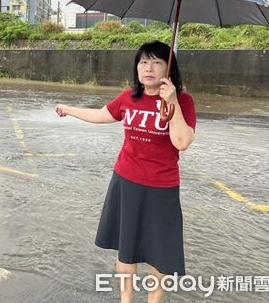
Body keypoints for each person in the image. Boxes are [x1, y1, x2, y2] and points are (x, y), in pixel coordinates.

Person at [55, 40, 196, 303]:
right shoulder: (128, 97)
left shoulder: (184, 101)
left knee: (159, 254)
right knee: (126, 250)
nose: (148, 68)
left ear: (169, 69)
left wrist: (172, 101)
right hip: (126, 181)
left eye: (156, 62)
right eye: (143, 62)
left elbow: (182, 143)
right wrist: (69, 109)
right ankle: (126, 299)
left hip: (161, 188)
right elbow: (100, 115)